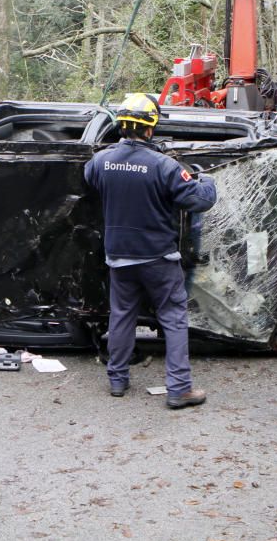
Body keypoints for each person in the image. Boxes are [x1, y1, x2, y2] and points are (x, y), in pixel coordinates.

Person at [84, 93, 217, 409]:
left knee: (122, 316)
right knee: (173, 317)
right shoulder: (164, 166)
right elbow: (201, 200)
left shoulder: (102, 161)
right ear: (150, 128)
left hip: (118, 257)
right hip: (157, 258)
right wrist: (208, 179)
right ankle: (180, 389)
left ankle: (117, 380)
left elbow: (89, 176)